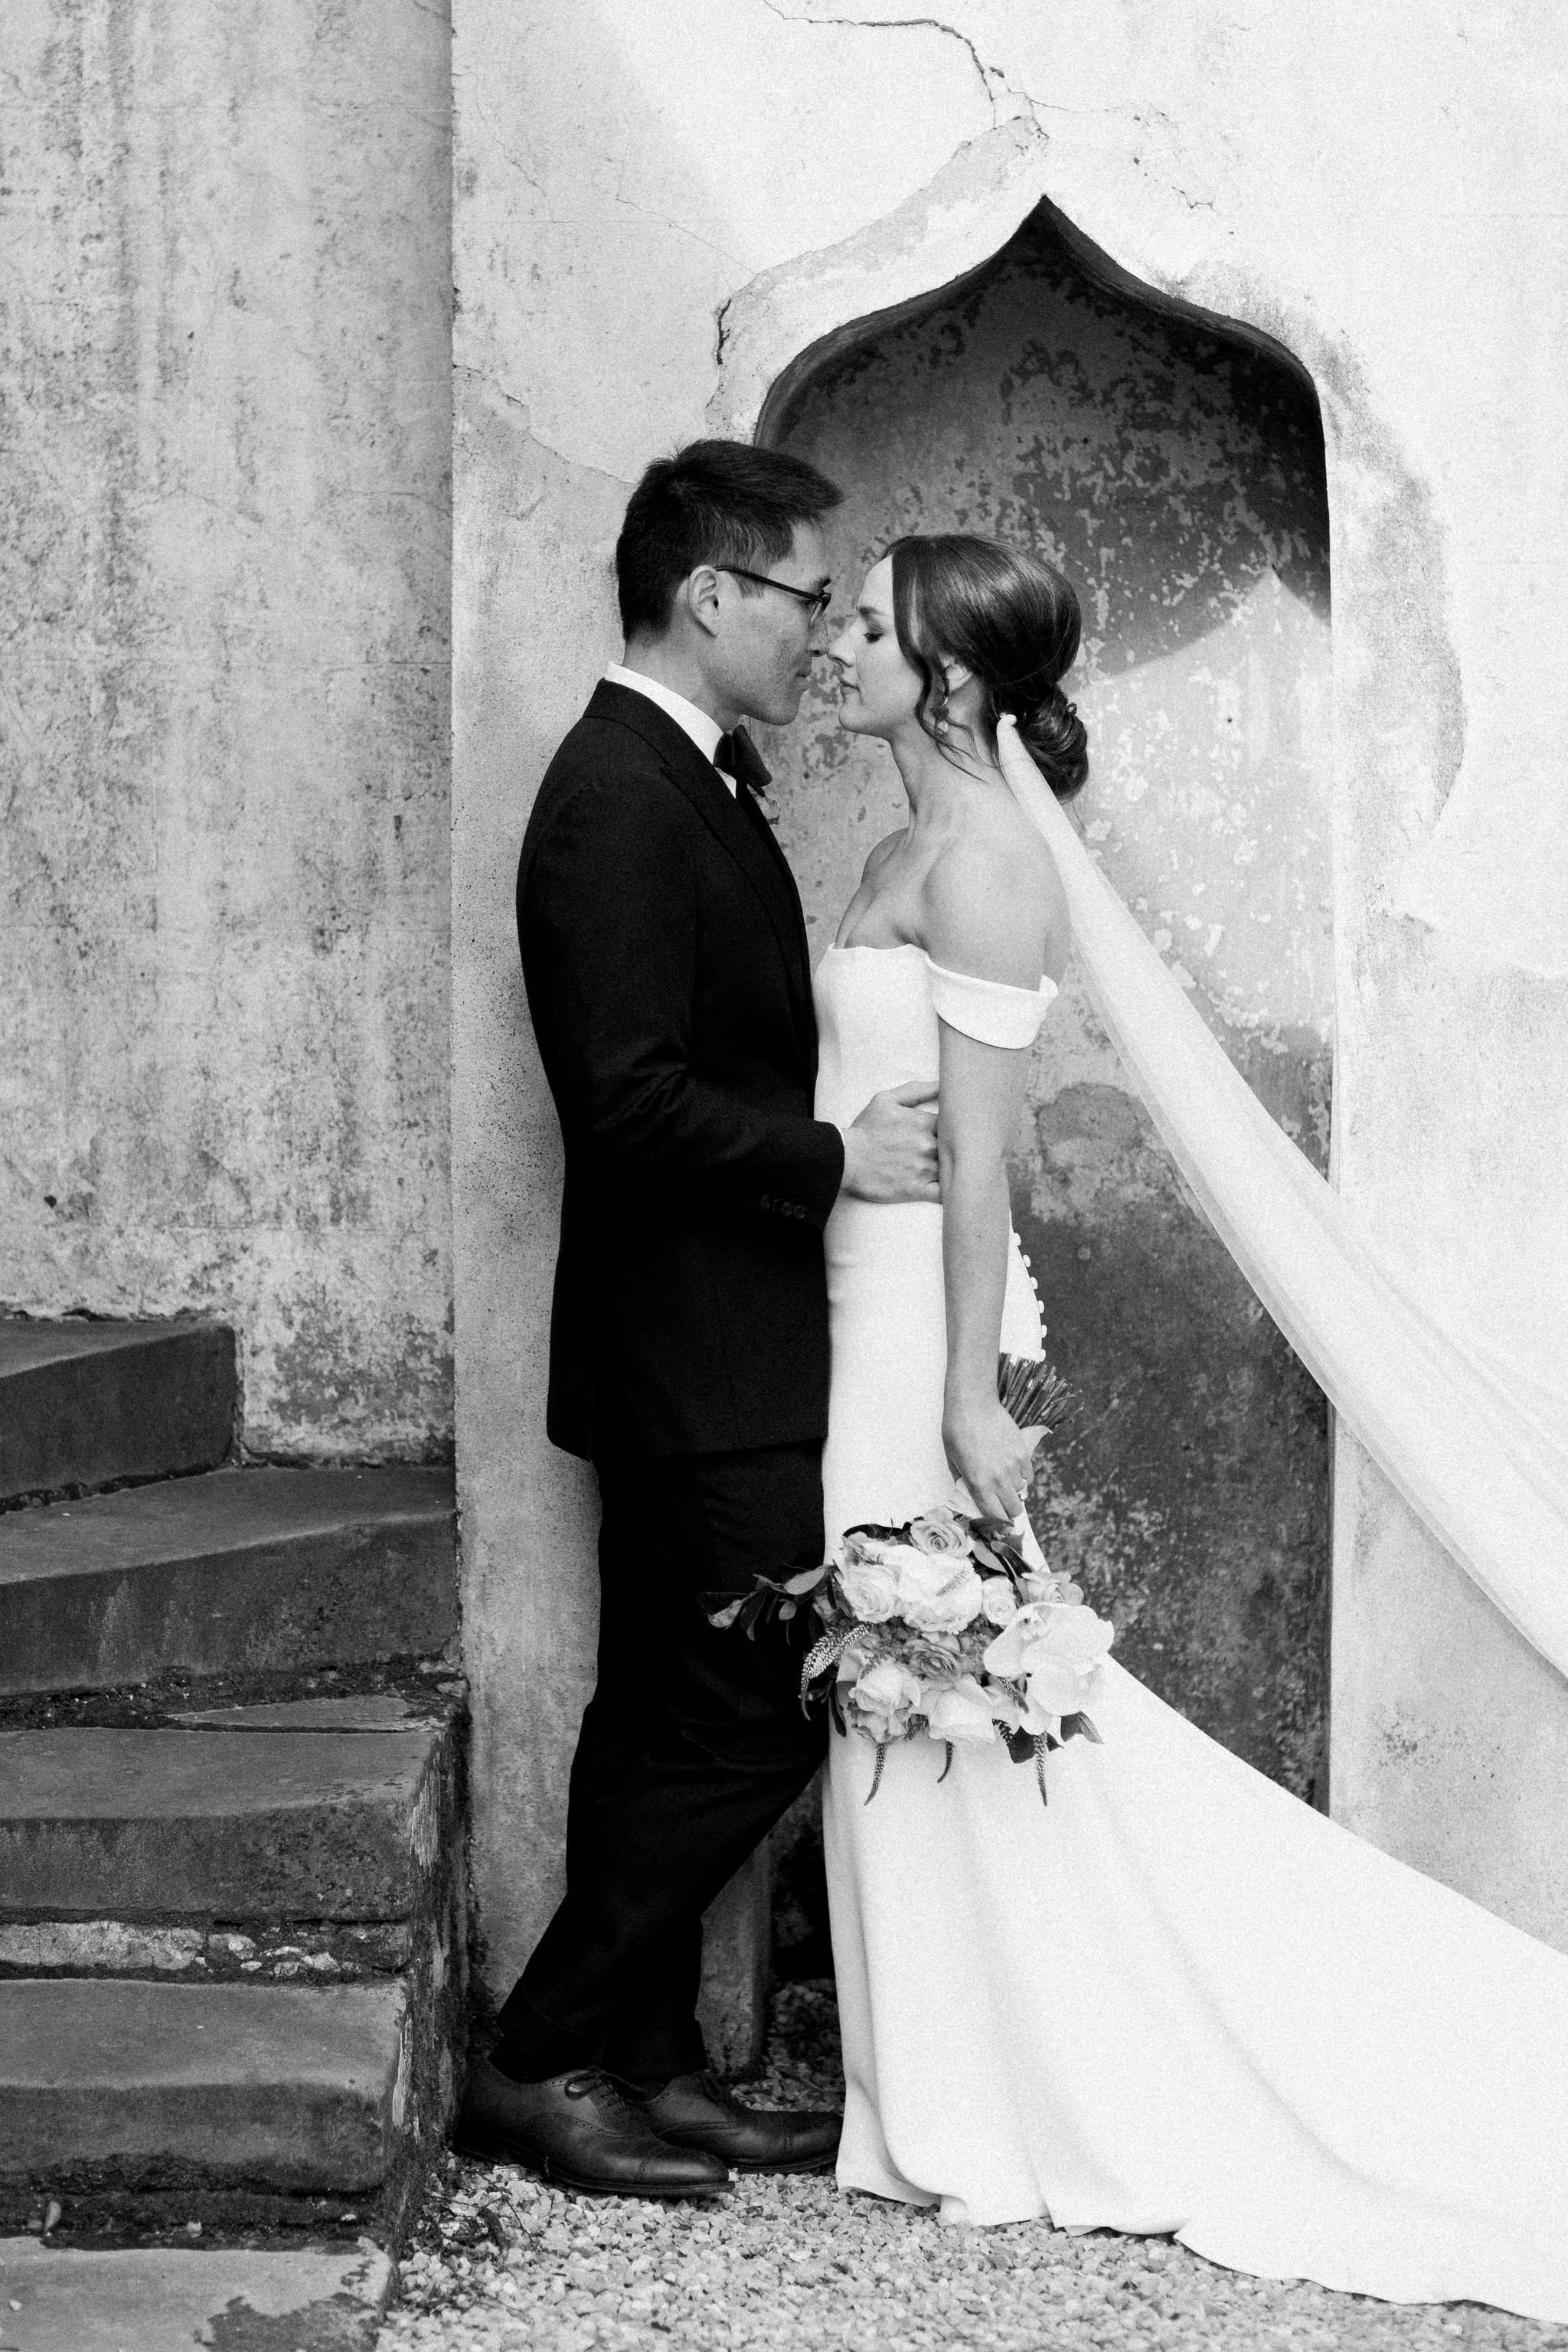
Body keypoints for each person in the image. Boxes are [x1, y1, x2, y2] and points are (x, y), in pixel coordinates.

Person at [813, 530, 1568, 2319]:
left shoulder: (989, 864)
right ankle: (926, 2073)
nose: (831, 641)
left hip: (926, 1312)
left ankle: (1017, 2084)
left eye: (862, 620)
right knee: (881, 1676)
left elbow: (988, 1165)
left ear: (948, 676)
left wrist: (959, 1392)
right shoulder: (885, 844)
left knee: (932, 1674)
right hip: (846, 1287)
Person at [457, 442, 941, 2200]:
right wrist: (836, 1160)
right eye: (809, 595)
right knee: (747, 1714)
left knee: (661, 1714)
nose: (823, 633)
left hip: (718, 1341)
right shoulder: (611, 794)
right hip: (692, 1353)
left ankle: (649, 2066)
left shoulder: (699, 780)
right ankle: (533, 2056)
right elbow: (625, 1099)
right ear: (711, 592)